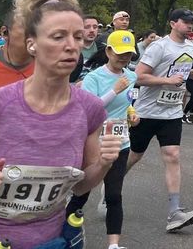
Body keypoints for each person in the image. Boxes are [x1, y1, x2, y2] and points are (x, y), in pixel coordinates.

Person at [0, 0, 122, 249]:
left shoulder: (90, 108)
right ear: (31, 43)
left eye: (78, 37)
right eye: (58, 36)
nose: (71, 46)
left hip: (52, 241)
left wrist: (103, 163)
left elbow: (80, 187)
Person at [126, 8, 193, 233]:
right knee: (134, 156)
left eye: (192, 22)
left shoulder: (189, 47)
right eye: (185, 22)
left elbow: (177, 71)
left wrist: (190, 75)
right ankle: (111, 185)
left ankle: (174, 212)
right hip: (147, 112)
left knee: (172, 155)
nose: (190, 25)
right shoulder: (159, 46)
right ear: (172, 23)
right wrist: (167, 81)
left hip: (172, 112)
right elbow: (138, 76)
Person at [68, 29, 141, 249]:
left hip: (120, 142)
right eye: (120, 53)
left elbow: (127, 103)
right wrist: (114, 90)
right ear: (108, 51)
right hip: (94, 142)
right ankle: (63, 234)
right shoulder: (94, 78)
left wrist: (132, 113)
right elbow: (91, 109)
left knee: (114, 195)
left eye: (128, 54)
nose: (124, 58)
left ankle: (113, 245)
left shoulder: (132, 76)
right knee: (82, 193)